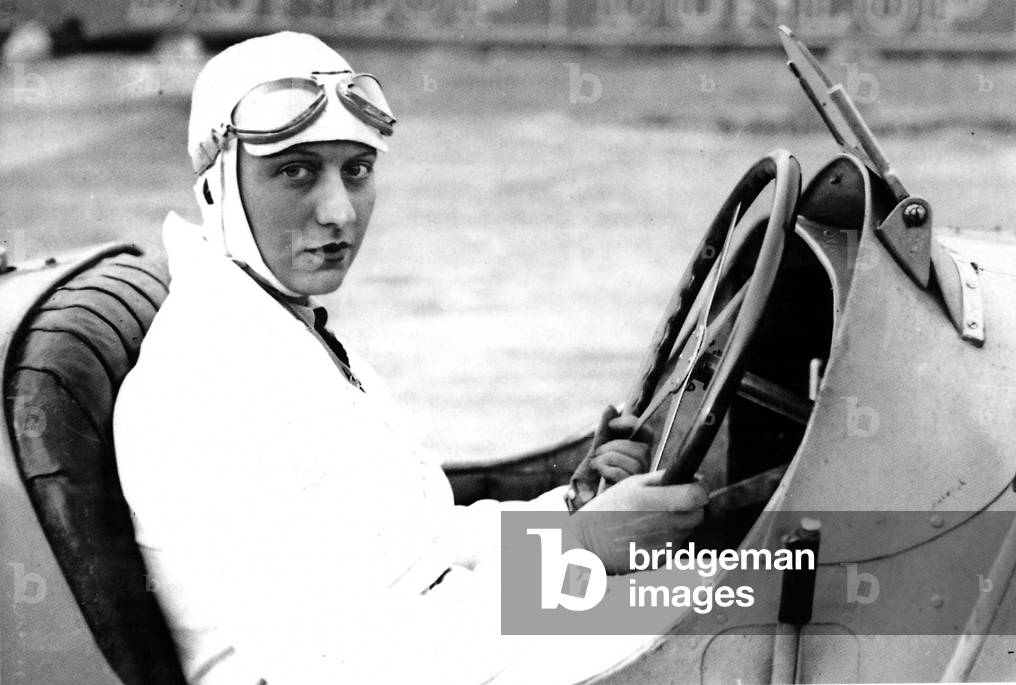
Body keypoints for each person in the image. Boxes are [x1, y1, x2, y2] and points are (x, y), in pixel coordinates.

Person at [113, 31, 708, 684]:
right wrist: (582, 550)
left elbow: (418, 550)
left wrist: (568, 510)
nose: (338, 211)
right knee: (763, 603)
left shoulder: (280, 331)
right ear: (217, 184)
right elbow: (344, 664)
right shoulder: (207, 381)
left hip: (440, 648)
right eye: (295, 170)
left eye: (357, 170)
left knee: (745, 582)